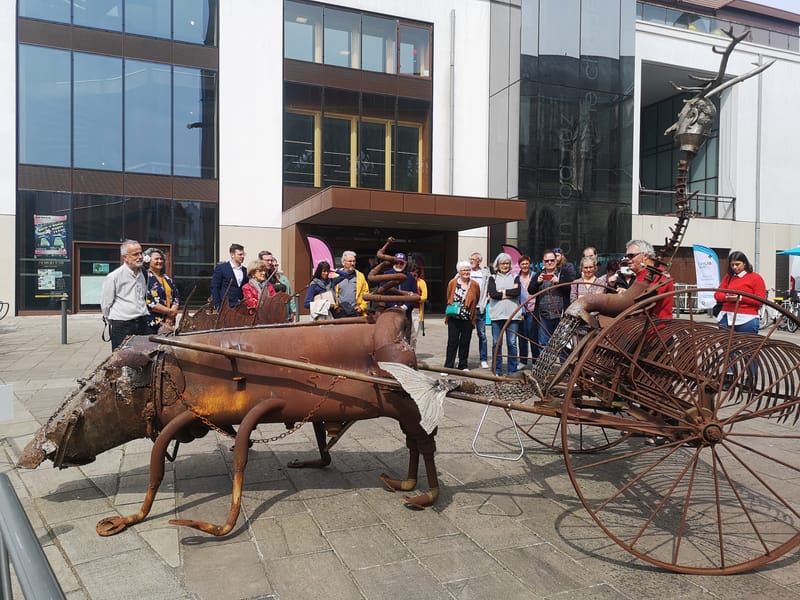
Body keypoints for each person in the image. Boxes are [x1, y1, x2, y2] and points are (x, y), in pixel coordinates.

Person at [101, 239, 150, 351]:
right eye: (135, 254)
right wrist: (112, 320)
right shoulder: (114, 277)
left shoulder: (144, 273)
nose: (140, 257)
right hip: (123, 324)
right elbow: (106, 304)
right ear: (125, 257)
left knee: (144, 357)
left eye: (141, 253)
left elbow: (143, 296)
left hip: (142, 321)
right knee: (122, 360)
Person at [714, 251, 766, 335]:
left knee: (747, 347)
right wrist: (726, 297)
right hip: (726, 316)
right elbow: (717, 294)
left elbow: (760, 300)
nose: (734, 267)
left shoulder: (755, 278)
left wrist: (741, 298)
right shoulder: (729, 277)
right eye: (732, 265)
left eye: (737, 264)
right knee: (727, 346)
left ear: (744, 263)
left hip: (747, 318)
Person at [487, 252, 522, 376]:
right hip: (497, 315)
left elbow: (517, 292)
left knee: (512, 343)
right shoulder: (492, 278)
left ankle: (512, 370)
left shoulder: (515, 276)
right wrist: (508, 293)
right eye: (502, 263)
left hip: (513, 316)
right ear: (498, 264)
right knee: (497, 343)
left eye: (507, 263)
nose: (505, 265)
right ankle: (497, 369)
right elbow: (493, 294)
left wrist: (501, 292)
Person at [444, 260, 480, 371]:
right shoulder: (452, 283)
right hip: (454, 317)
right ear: (459, 271)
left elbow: (477, 298)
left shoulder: (474, 284)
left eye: (468, 270)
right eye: (463, 270)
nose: (466, 272)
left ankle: (463, 365)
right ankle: (448, 366)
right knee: (452, 341)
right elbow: (449, 296)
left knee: (465, 342)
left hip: (468, 318)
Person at [625, 239, 674, 319]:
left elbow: (645, 299)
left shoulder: (660, 275)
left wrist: (626, 296)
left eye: (631, 256)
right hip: (638, 325)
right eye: (626, 256)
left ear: (645, 256)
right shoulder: (639, 275)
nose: (627, 259)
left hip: (656, 328)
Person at [530, 249, 568, 351]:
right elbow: (530, 290)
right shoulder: (538, 274)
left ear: (556, 261)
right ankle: (545, 367)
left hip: (560, 315)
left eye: (551, 260)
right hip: (543, 315)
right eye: (547, 261)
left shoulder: (563, 273)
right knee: (543, 344)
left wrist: (558, 282)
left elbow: (570, 290)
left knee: (561, 344)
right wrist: (537, 282)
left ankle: (562, 366)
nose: (549, 262)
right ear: (543, 262)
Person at [143, 247, 180, 333]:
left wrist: (171, 316)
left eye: (161, 259)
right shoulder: (145, 277)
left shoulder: (167, 278)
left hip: (168, 322)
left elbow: (176, 297)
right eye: (156, 259)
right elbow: (148, 301)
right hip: (152, 323)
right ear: (148, 261)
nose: (160, 261)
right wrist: (170, 312)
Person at [259, 250, 296, 322]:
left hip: (278, 309)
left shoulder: (273, 274)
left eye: (271, 260)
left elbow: (286, 290)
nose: (270, 262)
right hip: (264, 311)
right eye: (267, 260)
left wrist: (292, 310)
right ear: (260, 261)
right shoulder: (257, 273)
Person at [469, 252, 492, 369]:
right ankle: (463, 359)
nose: (471, 261)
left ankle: (483, 359)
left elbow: (491, 286)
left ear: (479, 261)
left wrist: (488, 297)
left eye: (474, 259)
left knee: (482, 334)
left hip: (480, 307)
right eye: (470, 259)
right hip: (468, 309)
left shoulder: (485, 273)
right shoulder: (466, 271)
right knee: (465, 334)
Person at [516, 255, 538, 367]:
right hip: (521, 310)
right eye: (522, 264)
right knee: (522, 336)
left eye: (526, 263)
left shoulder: (534, 276)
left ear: (529, 264)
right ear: (519, 265)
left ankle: (535, 361)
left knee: (533, 336)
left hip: (533, 309)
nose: (524, 266)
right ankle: (523, 361)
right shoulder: (516, 277)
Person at [211, 243, 248, 309]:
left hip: (241, 306)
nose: (242, 256)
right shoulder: (222, 268)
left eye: (243, 254)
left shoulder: (245, 270)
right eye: (240, 254)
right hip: (226, 306)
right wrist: (217, 305)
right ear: (232, 255)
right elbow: (215, 287)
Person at [333, 250, 369, 318]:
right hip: (340, 312)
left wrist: (362, 307)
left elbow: (366, 292)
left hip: (356, 311)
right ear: (343, 262)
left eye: (354, 261)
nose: (352, 263)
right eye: (350, 261)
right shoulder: (336, 276)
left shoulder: (360, 276)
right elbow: (331, 293)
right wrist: (336, 307)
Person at [409, 264, 428, 346]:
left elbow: (424, 297)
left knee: (414, 334)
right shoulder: (405, 280)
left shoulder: (421, 282)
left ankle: (412, 352)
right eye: (413, 272)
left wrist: (414, 297)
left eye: (416, 272)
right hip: (405, 310)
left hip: (416, 311)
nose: (414, 274)